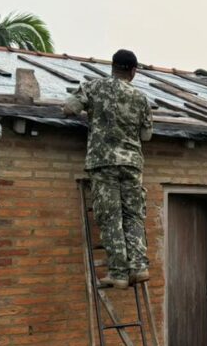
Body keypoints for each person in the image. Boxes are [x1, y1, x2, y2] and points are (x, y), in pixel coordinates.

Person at [63, 49, 153, 289]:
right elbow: (146, 134)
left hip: (103, 163)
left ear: (112, 66)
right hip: (132, 163)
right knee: (133, 215)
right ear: (133, 71)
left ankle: (118, 273)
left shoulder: (94, 87)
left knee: (110, 216)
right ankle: (139, 266)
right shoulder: (141, 98)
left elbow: (69, 108)